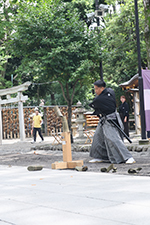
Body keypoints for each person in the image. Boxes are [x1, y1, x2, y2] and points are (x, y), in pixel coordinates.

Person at [89, 80, 135, 164]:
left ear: (102, 88)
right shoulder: (108, 92)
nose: (95, 91)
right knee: (97, 137)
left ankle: (128, 157)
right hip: (103, 120)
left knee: (113, 138)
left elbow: (94, 103)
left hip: (110, 120)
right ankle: (100, 156)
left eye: (96, 89)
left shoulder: (104, 96)